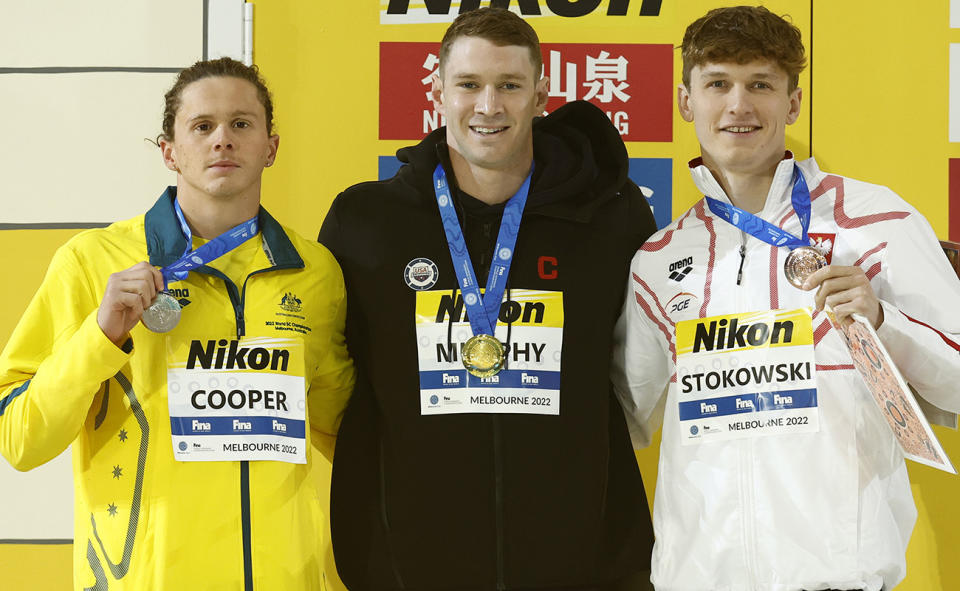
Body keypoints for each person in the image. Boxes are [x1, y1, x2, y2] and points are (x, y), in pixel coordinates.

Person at [612, 6, 960, 591]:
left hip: (839, 582)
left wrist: (883, 320)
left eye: (761, 85)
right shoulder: (657, 260)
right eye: (718, 83)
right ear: (685, 101)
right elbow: (618, 418)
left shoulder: (876, 222)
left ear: (793, 103)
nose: (738, 105)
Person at [319, 7, 657, 591]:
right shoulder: (366, 220)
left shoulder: (611, 213)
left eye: (509, 85)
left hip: (580, 565)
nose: (488, 106)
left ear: (541, 94)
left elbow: (640, 371)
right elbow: (332, 377)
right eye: (469, 85)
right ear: (438, 90)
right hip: (409, 566)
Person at [0, 57, 354, 590]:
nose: (223, 141)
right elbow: (20, 438)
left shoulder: (314, 273)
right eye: (202, 126)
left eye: (241, 124)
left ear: (271, 147)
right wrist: (100, 337)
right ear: (169, 152)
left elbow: (347, 429)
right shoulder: (92, 261)